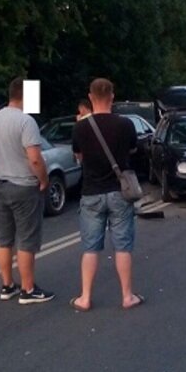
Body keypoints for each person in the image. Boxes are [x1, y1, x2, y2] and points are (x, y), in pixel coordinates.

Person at [70, 78, 144, 312]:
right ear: (112, 96)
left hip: (91, 192)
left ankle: (85, 297)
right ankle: (127, 296)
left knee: (91, 247)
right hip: (119, 192)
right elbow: (132, 149)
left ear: (90, 98)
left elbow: (78, 156)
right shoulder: (125, 124)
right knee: (123, 246)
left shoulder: (80, 127)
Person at [0, 78, 53, 304]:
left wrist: (0, 167)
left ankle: (7, 285)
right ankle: (28, 289)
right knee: (26, 238)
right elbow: (34, 158)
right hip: (22, 185)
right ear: (25, 96)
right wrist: (43, 179)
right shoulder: (26, 121)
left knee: (4, 237)